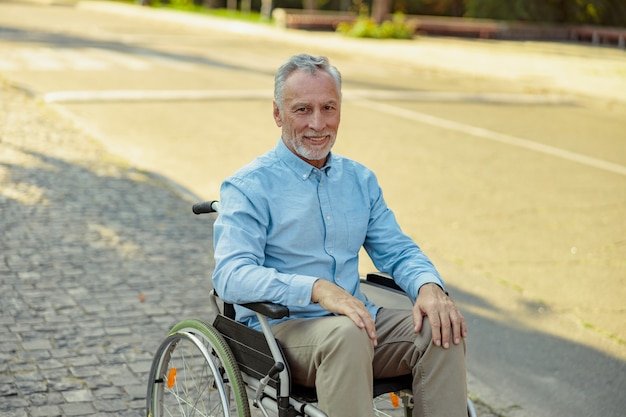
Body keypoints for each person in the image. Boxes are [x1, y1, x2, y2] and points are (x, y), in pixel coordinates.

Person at [212, 53, 468, 417]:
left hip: (359, 323)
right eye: (302, 110)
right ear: (277, 114)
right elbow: (230, 276)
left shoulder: (359, 180)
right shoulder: (249, 186)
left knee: (443, 329)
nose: (318, 123)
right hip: (283, 334)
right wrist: (316, 288)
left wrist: (429, 287)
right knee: (348, 335)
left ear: (340, 110)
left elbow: (397, 251)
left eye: (328, 108)